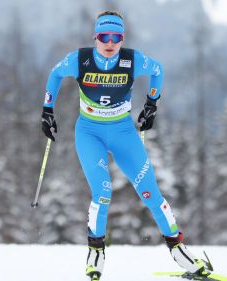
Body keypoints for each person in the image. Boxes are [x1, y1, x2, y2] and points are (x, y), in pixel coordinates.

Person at [40, 11, 210, 281]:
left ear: (122, 38)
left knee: (150, 193)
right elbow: (55, 74)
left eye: (116, 37)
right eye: (104, 36)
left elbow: (158, 71)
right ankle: (96, 253)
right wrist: (47, 110)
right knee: (103, 192)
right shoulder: (80, 60)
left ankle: (179, 250)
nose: (110, 43)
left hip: (123, 133)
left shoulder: (132, 60)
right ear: (96, 37)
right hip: (89, 133)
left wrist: (151, 104)